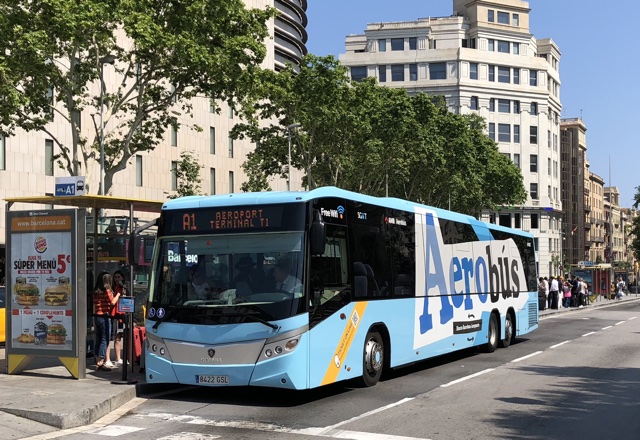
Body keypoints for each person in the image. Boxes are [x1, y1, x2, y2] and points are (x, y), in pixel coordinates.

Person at [93, 271, 121, 371]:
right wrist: (118, 294)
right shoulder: (107, 290)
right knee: (105, 339)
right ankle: (101, 361)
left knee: (99, 338)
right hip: (104, 316)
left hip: (97, 316)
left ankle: (97, 359)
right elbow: (112, 302)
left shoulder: (96, 291)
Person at [108, 270, 128, 367]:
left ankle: (119, 358)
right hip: (115, 314)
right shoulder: (114, 289)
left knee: (119, 337)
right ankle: (116, 358)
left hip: (122, 314)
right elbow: (113, 301)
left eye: (118, 277)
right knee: (115, 337)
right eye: (115, 277)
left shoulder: (123, 288)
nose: (116, 279)